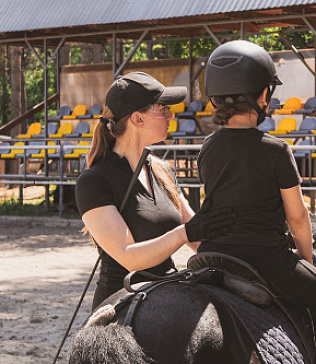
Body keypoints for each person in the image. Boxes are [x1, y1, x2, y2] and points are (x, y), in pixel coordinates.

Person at [75, 71, 234, 311]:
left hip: (166, 292)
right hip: (120, 303)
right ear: (138, 119)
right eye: (162, 108)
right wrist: (183, 234)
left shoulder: (163, 171)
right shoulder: (94, 181)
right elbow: (129, 257)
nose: (171, 115)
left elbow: (199, 238)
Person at [197, 40, 316, 312]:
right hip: (264, 259)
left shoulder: (207, 147)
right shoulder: (276, 150)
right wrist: (305, 257)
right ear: (262, 96)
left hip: (211, 257)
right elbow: (297, 216)